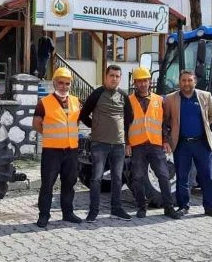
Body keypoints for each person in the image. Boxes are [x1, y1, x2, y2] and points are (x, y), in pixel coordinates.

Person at [79, 64, 133, 222]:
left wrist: (127, 140)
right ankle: (93, 211)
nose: (114, 79)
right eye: (112, 76)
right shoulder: (97, 93)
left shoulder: (123, 95)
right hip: (99, 145)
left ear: (120, 78)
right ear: (106, 77)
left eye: (117, 76)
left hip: (118, 145)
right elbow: (83, 115)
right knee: (96, 178)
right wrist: (94, 127)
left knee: (117, 178)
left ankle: (116, 209)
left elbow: (130, 119)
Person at [165, 69, 212, 218]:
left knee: (207, 177)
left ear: (195, 81)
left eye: (190, 80)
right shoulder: (171, 99)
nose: (186, 83)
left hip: (201, 143)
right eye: (184, 80)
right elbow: (165, 120)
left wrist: (204, 125)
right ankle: (183, 206)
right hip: (181, 144)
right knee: (182, 177)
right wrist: (168, 137)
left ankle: (210, 207)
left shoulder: (205, 96)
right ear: (179, 82)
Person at [126, 67, 181, 220]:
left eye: (145, 80)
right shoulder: (128, 101)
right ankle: (141, 206)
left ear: (150, 81)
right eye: (139, 81)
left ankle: (169, 207)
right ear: (134, 83)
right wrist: (127, 143)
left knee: (163, 176)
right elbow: (125, 124)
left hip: (155, 144)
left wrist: (165, 140)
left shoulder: (159, 100)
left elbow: (163, 123)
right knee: (137, 177)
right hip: (137, 145)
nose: (143, 84)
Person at [33, 67, 84, 227]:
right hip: (52, 151)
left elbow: (76, 122)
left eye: (67, 83)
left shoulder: (77, 102)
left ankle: (68, 213)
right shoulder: (44, 103)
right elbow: (36, 124)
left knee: (69, 183)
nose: (64, 86)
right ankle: (44, 216)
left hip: (71, 150)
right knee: (47, 184)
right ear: (54, 83)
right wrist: (50, 135)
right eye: (61, 83)